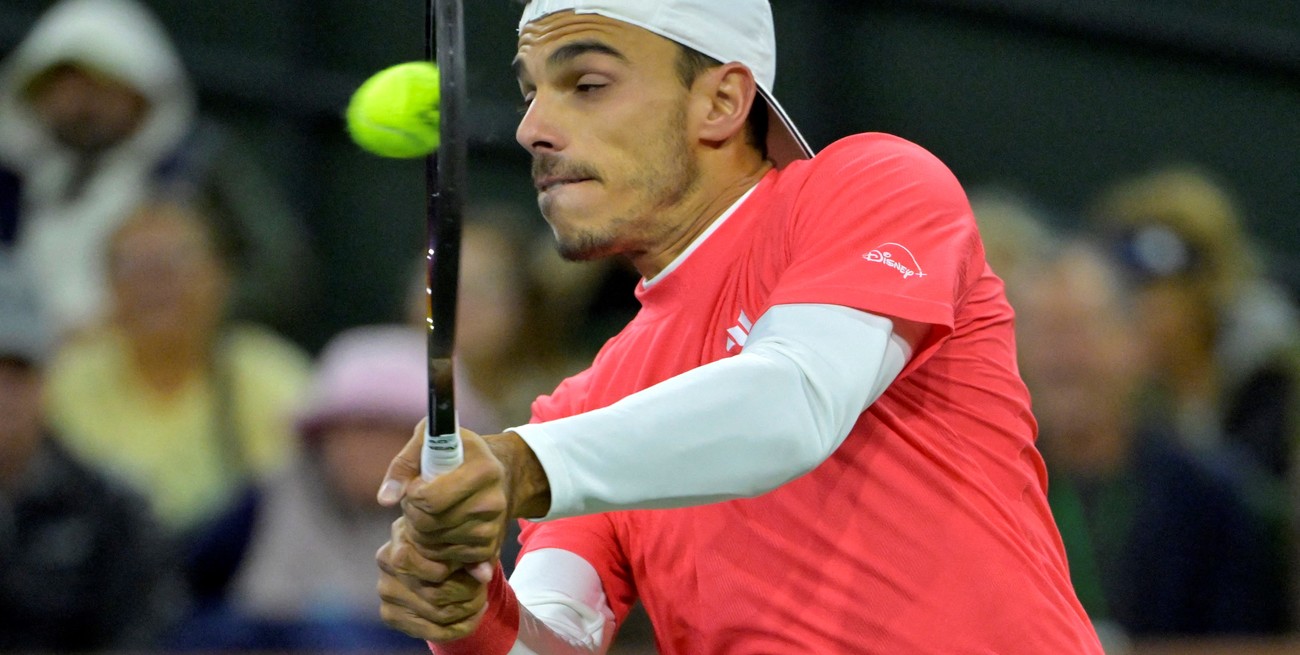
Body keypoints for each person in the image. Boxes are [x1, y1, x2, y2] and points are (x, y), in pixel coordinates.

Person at [376, 1, 1103, 653]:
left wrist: (524, 465)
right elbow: (553, 635)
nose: (532, 127)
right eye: (530, 91)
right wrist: (472, 613)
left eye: (587, 85)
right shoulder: (579, 411)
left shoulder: (874, 186)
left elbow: (793, 403)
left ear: (722, 101)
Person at [43, 198, 311, 608]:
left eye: (177, 262)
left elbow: (296, 511)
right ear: (106, 288)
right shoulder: (64, 380)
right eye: (134, 267)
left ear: (220, 277)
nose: (158, 284)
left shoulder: (273, 376)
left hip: (233, 597)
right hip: (95, 597)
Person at [1016, 242, 1283, 643]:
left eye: (1081, 329)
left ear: (1134, 343)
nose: (1064, 356)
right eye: (1044, 331)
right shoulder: (982, 494)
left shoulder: (1214, 499)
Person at [0, 0, 313, 338]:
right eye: (62, 89)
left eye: (99, 88)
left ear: (141, 89)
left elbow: (279, 272)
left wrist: (166, 314)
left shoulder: (197, 163)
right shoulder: (16, 177)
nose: (80, 106)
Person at [217, 325, 433, 651]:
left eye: (385, 429)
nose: (364, 448)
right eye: (349, 429)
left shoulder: (472, 522)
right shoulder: (270, 495)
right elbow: (189, 586)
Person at [0, 260, 180, 650]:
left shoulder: (111, 508)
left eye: (17, 372)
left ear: (45, 380)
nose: (4, 396)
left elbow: (142, 629)